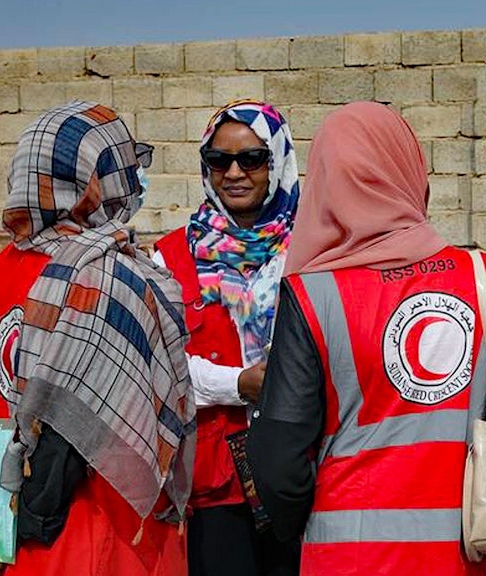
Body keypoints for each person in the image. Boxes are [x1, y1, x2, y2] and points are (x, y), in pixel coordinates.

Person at [246, 101, 486, 576]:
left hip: (349, 556)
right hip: (471, 553)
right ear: (411, 172)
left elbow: (280, 461)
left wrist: (301, 523)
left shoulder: (314, 297)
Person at [0, 100, 195, 575]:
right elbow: (66, 425)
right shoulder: (104, 277)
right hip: (95, 535)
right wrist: (29, 524)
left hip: (0, 536)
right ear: (96, 186)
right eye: (123, 169)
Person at [152, 99, 300, 576]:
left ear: (276, 161)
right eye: (219, 160)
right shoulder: (170, 258)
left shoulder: (315, 251)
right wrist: (239, 383)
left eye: (252, 159)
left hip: (301, 475)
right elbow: (158, 368)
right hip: (213, 486)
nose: (234, 172)